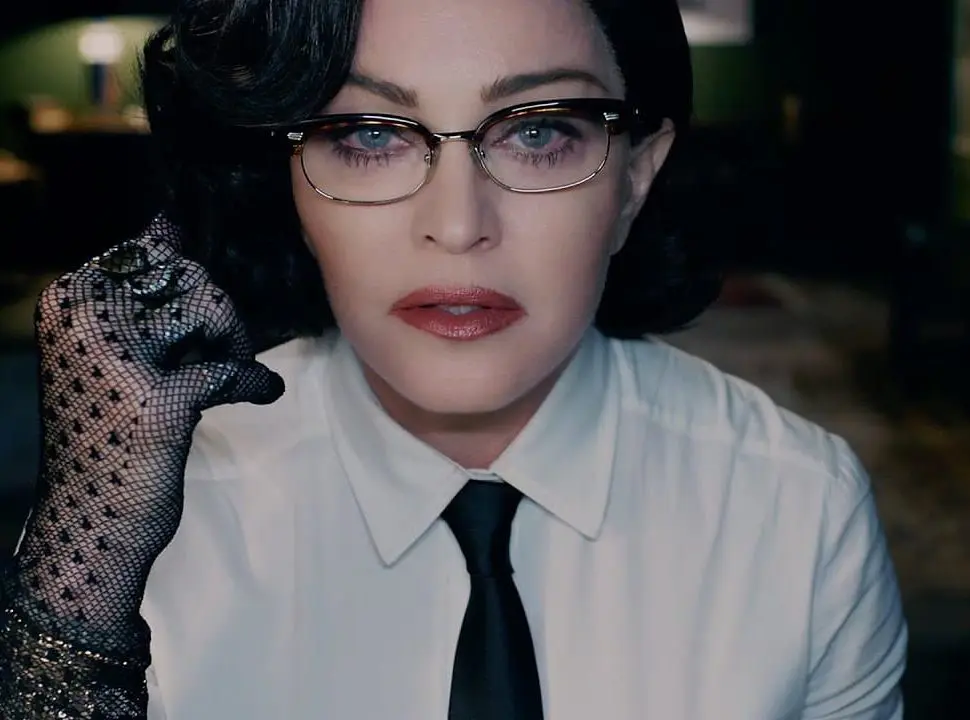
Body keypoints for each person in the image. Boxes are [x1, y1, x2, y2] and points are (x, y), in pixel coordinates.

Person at [0, 0, 907, 717]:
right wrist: (77, 629)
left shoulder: (800, 509)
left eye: (538, 130)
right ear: (289, 180)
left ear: (635, 176)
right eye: (370, 136)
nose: (458, 225)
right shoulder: (137, 523)